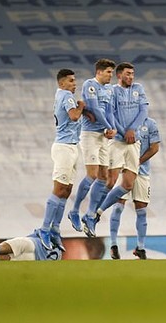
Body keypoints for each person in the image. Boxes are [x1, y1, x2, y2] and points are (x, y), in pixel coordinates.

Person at [82, 62, 148, 239]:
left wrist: (132, 129)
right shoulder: (112, 91)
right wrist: (121, 131)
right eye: (127, 74)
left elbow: (143, 111)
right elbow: (109, 112)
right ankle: (89, 213)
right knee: (109, 181)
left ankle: (97, 213)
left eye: (132, 74)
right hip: (118, 141)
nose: (131, 77)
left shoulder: (139, 88)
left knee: (127, 184)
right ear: (119, 75)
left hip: (134, 141)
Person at [37, 69, 86, 251]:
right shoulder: (66, 96)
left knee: (66, 190)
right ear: (62, 83)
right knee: (59, 189)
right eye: (71, 81)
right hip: (64, 147)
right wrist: (81, 106)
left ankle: (56, 229)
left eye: (75, 81)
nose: (75, 84)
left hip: (72, 147)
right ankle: (44, 229)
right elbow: (74, 116)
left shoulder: (63, 95)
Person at [68, 58, 116, 233]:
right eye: (109, 72)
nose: (111, 75)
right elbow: (95, 109)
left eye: (112, 72)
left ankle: (89, 214)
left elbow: (109, 110)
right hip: (90, 135)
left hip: (103, 136)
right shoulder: (90, 85)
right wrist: (109, 126)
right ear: (99, 72)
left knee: (103, 177)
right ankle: (74, 211)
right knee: (92, 174)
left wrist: (113, 128)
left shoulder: (109, 89)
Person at [107, 117, 161, 260]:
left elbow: (155, 147)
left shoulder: (150, 123)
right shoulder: (121, 121)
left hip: (142, 172)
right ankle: (113, 245)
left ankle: (141, 248)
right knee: (118, 207)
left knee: (142, 211)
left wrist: (137, 162)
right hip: (123, 170)